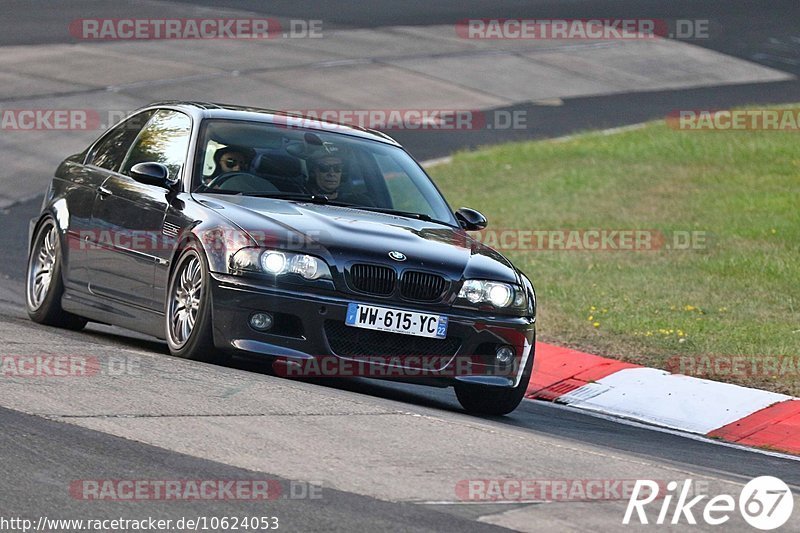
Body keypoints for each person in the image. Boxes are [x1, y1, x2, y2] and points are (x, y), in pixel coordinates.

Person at [307, 153, 372, 205]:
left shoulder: (359, 202)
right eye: (324, 168)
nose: (332, 174)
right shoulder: (301, 196)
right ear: (314, 173)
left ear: (343, 174)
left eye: (337, 168)